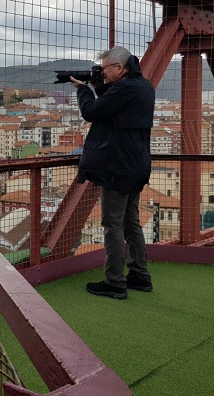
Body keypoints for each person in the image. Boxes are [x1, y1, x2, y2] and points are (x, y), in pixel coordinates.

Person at [69, 46, 155, 300]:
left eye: (105, 68)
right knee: (131, 222)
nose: (102, 73)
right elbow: (113, 106)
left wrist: (83, 90)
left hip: (118, 167)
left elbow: (92, 112)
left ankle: (115, 282)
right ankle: (140, 275)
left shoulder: (125, 88)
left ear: (119, 67)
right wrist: (99, 86)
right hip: (137, 164)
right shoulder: (143, 86)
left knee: (112, 225)